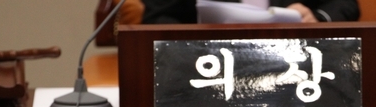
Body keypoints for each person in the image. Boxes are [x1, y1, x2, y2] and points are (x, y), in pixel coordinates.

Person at [142, 0, 360, 24]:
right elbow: (158, 17)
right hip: (206, 60)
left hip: (297, 55)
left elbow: (345, 3)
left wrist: (316, 18)